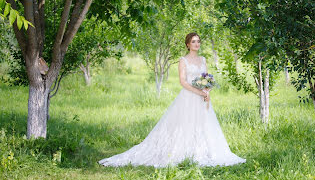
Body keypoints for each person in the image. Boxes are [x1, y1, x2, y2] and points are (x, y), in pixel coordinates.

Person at [98, 32, 246, 167]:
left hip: (203, 97)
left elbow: (205, 77)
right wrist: (198, 92)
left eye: (198, 41)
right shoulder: (183, 60)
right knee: (184, 125)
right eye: (193, 42)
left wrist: (207, 90)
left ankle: (204, 151)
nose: (197, 44)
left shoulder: (203, 59)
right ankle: (181, 151)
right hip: (188, 97)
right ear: (188, 44)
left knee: (204, 124)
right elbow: (183, 81)